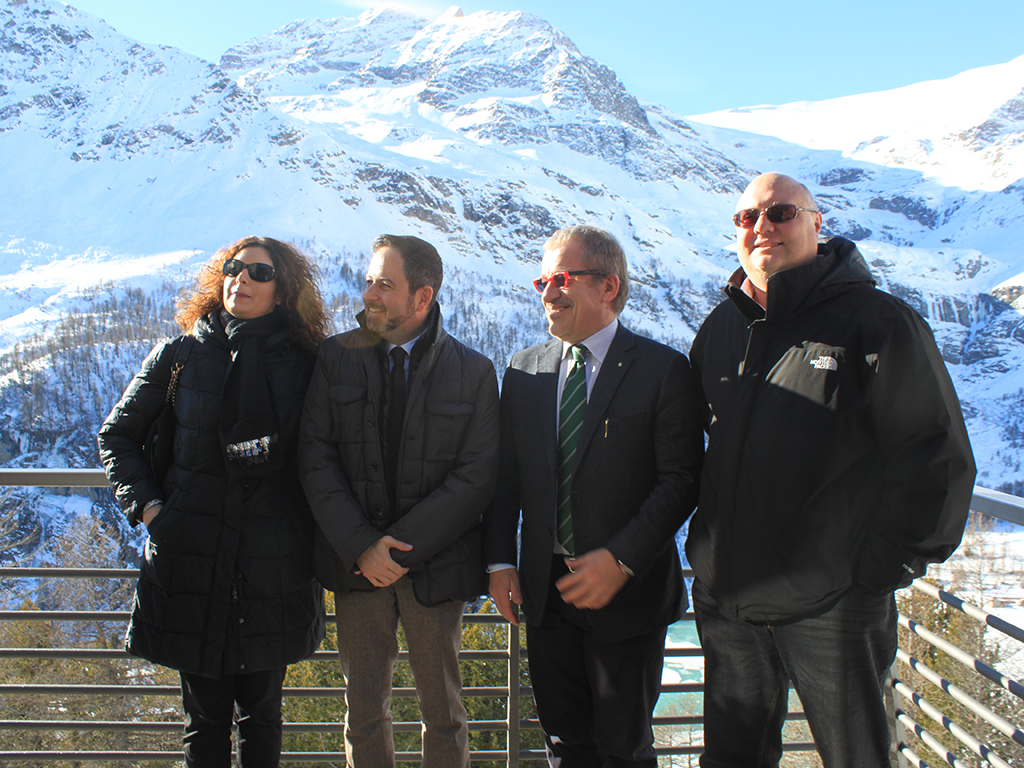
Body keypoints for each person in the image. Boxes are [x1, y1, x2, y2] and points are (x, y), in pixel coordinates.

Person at [687, 172, 976, 767]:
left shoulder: (878, 322)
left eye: (780, 213)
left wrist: (880, 571)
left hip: (835, 607)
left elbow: (937, 456)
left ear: (817, 224)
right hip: (730, 603)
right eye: (746, 217)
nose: (761, 227)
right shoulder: (721, 328)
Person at [98, 236, 329, 767]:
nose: (240, 279)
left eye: (259, 273)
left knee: (262, 718)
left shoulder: (306, 364)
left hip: (274, 566)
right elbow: (117, 435)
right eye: (233, 267)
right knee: (202, 722)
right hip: (192, 560)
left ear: (283, 290)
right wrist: (153, 512)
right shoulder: (181, 355)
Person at [484, 225, 704, 767]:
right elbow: (506, 479)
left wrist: (621, 559)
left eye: (562, 278)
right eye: (542, 281)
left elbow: (681, 480)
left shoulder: (662, 370)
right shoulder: (524, 370)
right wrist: (500, 562)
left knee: (624, 750)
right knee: (565, 747)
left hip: (627, 598)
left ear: (608, 286)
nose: (548, 292)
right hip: (546, 595)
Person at [298, 234, 499, 768]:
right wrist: (363, 546)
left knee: (445, 712)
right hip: (357, 566)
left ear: (422, 297)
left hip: (436, 567)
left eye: (385, 284)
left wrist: (399, 549)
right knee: (363, 711)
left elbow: (476, 476)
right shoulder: (335, 358)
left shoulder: (474, 371)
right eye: (368, 281)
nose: (369, 294)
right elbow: (315, 458)